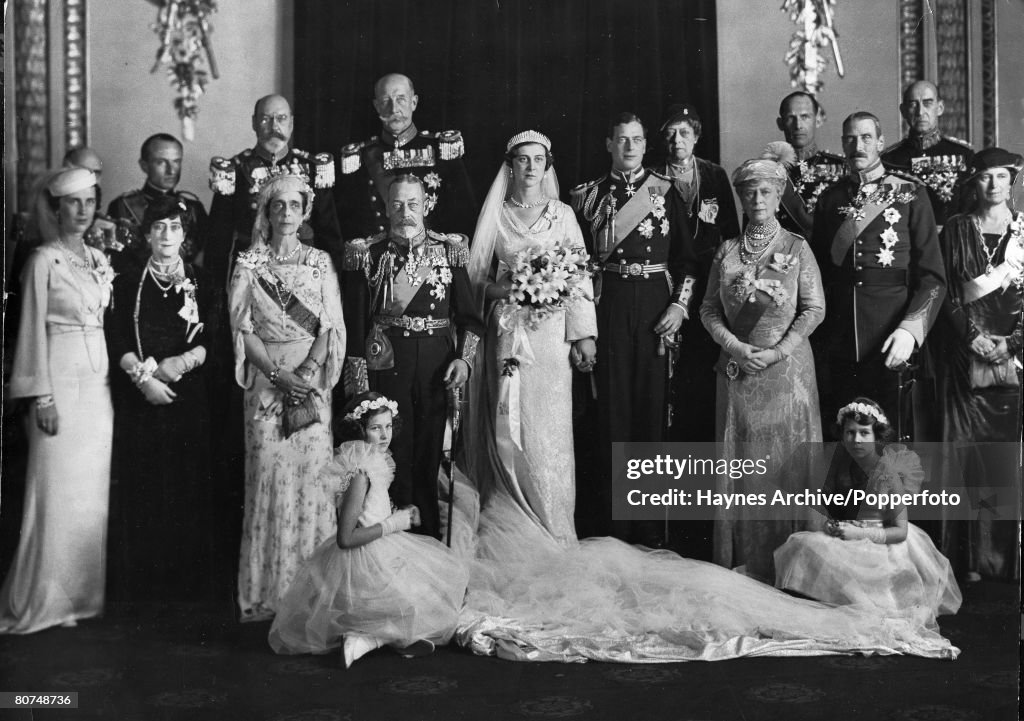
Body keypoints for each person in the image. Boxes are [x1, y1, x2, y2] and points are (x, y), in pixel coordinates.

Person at [464, 130, 597, 547]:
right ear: (511, 165)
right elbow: (476, 281)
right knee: (511, 422)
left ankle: (556, 527)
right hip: (508, 333)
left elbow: (578, 278)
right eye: (522, 159)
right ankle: (514, 527)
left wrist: (584, 336)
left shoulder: (562, 215)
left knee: (550, 430)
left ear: (547, 164)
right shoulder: (496, 216)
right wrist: (505, 290)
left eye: (538, 159)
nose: (530, 167)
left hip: (552, 336)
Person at [570, 112, 698, 543]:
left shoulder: (666, 191)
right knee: (611, 415)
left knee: (650, 415)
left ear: (646, 146)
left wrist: (680, 307)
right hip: (607, 307)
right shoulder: (586, 197)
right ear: (609, 144)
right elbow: (576, 267)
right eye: (621, 140)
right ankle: (613, 531)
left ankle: (648, 531)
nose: (629, 147)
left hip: (654, 313)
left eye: (637, 140)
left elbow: (688, 262)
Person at [268, 392, 469, 666]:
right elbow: (346, 538)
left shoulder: (375, 462)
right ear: (361, 430)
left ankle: (372, 637)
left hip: (382, 547)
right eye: (376, 428)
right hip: (362, 558)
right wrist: (393, 524)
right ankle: (367, 639)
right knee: (421, 609)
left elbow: (372, 511)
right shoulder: (360, 474)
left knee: (428, 603)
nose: (384, 435)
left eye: (388, 426)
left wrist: (399, 515)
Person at [699, 154, 826, 580]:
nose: (757, 198)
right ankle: (745, 563)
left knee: (786, 465)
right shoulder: (727, 251)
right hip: (738, 371)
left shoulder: (796, 248)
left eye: (766, 191)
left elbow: (813, 309)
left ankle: (794, 570)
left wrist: (777, 351)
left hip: (786, 373)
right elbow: (708, 311)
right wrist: (735, 346)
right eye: (749, 191)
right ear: (740, 196)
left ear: (779, 196)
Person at [0, 168, 115, 633]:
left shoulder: (98, 257)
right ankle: (45, 599)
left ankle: (83, 597)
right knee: (55, 490)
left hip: (99, 384)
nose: (82, 211)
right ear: (56, 208)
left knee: (90, 496)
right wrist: (41, 397)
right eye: (72, 203)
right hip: (60, 383)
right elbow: (28, 330)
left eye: (89, 201)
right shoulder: (42, 261)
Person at [228, 175, 346, 620]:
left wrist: (307, 374)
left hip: (310, 382)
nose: (286, 214)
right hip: (266, 380)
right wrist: (278, 375)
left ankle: (315, 594)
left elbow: (329, 327)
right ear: (266, 210)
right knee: (268, 479)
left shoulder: (319, 263)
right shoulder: (249, 264)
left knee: (313, 481)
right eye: (278, 205)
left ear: (305, 211)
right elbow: (243, 328)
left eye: (294, 205)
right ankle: (267, 596)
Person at [342, 174, 485, 540]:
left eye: (413, 204)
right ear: (387, 207)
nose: (405, 212)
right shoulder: (368, 254)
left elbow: (469, 319)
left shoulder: (448, 250)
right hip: (388, 364)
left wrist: (464, 361)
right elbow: (356, 324)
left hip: (437, 364)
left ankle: (429, 542)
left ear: (427, 206)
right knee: (393, 455)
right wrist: (360, 386)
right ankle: (394, 538)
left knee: (428, 453)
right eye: (398, 204)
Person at [104, 195, 214, 602]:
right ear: (147, 234)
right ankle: (145, 588)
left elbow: (214, 341)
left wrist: (181, 363)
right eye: (159, 227)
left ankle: (187, 587)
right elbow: (114, 335)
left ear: (186, 236)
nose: (167, 235)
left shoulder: (204, 280)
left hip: (190, 400)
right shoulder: (126, 280)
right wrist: (144, 378)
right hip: (142, 399)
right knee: (146, 488)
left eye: (175, 227)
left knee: (187, 488)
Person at [812, 111, 946, 441]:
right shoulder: (831, 198)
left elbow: (933, 278)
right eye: (851, 139)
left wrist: (911, 330)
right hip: (840, 337)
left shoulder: (910, 194)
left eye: (866, 138)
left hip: (891, 333)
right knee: (843, 435)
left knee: (890, 435)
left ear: (881, 143)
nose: (858, 145)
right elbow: (819, 272)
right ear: (843, 144)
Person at [775, 398, 962, 628]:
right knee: (802, 546)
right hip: (846, 533)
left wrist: (860, 534)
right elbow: (824, 505)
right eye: (850, 433)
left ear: (877, 436)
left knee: (872, 599)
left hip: (882, 542)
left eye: (864, 433)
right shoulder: (837, 464)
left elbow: (900, 531)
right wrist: (829, 524)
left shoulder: (888, 472)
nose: (856, 440)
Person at [936, 147, 1023, 581]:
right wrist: (973, 338)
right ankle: (967, 562)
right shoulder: (955, 229)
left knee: (1001, 459)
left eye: (1001, 177)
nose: (993, 186)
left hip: (1013, 363)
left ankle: (1002, 561)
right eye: (985, 177)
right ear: (975, 182)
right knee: (963, 459)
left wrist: (1011, 345)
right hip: (963, 358)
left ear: (1013, 181)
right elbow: (946, 291)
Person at [655, 104, 739, 447]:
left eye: (684, 133)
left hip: (708, 281)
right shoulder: (653, 178)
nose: (678, 141)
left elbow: (731, 232)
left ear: (697, 138)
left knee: (703, 364)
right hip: (667, 281)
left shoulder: (714, 175)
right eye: (671, 134)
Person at [207, 94, 342, 289]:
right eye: (265, 119)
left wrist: (331, 288)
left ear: (292, 123)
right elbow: (217, 244)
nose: (274, 127)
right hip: (251, 279)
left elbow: (330, 237)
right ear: (254, 123)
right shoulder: (235, 171)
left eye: (281, 118)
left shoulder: (312, 169)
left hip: (304, 277)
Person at [336, 73, 477, 239]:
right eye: (385, 101)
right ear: (376, 106)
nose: (394, 109)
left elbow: (464, 214)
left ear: (414, 102)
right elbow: (350, 220)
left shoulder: (441, 150)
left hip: (433, 257)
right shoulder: (362, 156)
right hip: (379, 258)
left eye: (401, 99)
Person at [106, 133, 209, 271]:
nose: (171, 170)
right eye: (161, 162)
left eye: (176, 161)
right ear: (144, 165)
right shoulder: (122, 206)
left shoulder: (194, 209)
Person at [881, 81, 974, 229]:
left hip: (948, 244)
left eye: (927, 103)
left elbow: (970, 211)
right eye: (913, 104)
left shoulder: (962, 155)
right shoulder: (888, 159)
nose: (920, 112)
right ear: (903, 111)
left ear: (940, 108)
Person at [774, 91, 846, 237]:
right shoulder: (766, 172)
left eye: (805, 117)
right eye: (790, 118)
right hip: (780, 256)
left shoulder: (843, 168)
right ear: (780, 124)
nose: (798, 125)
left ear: (818, 120)